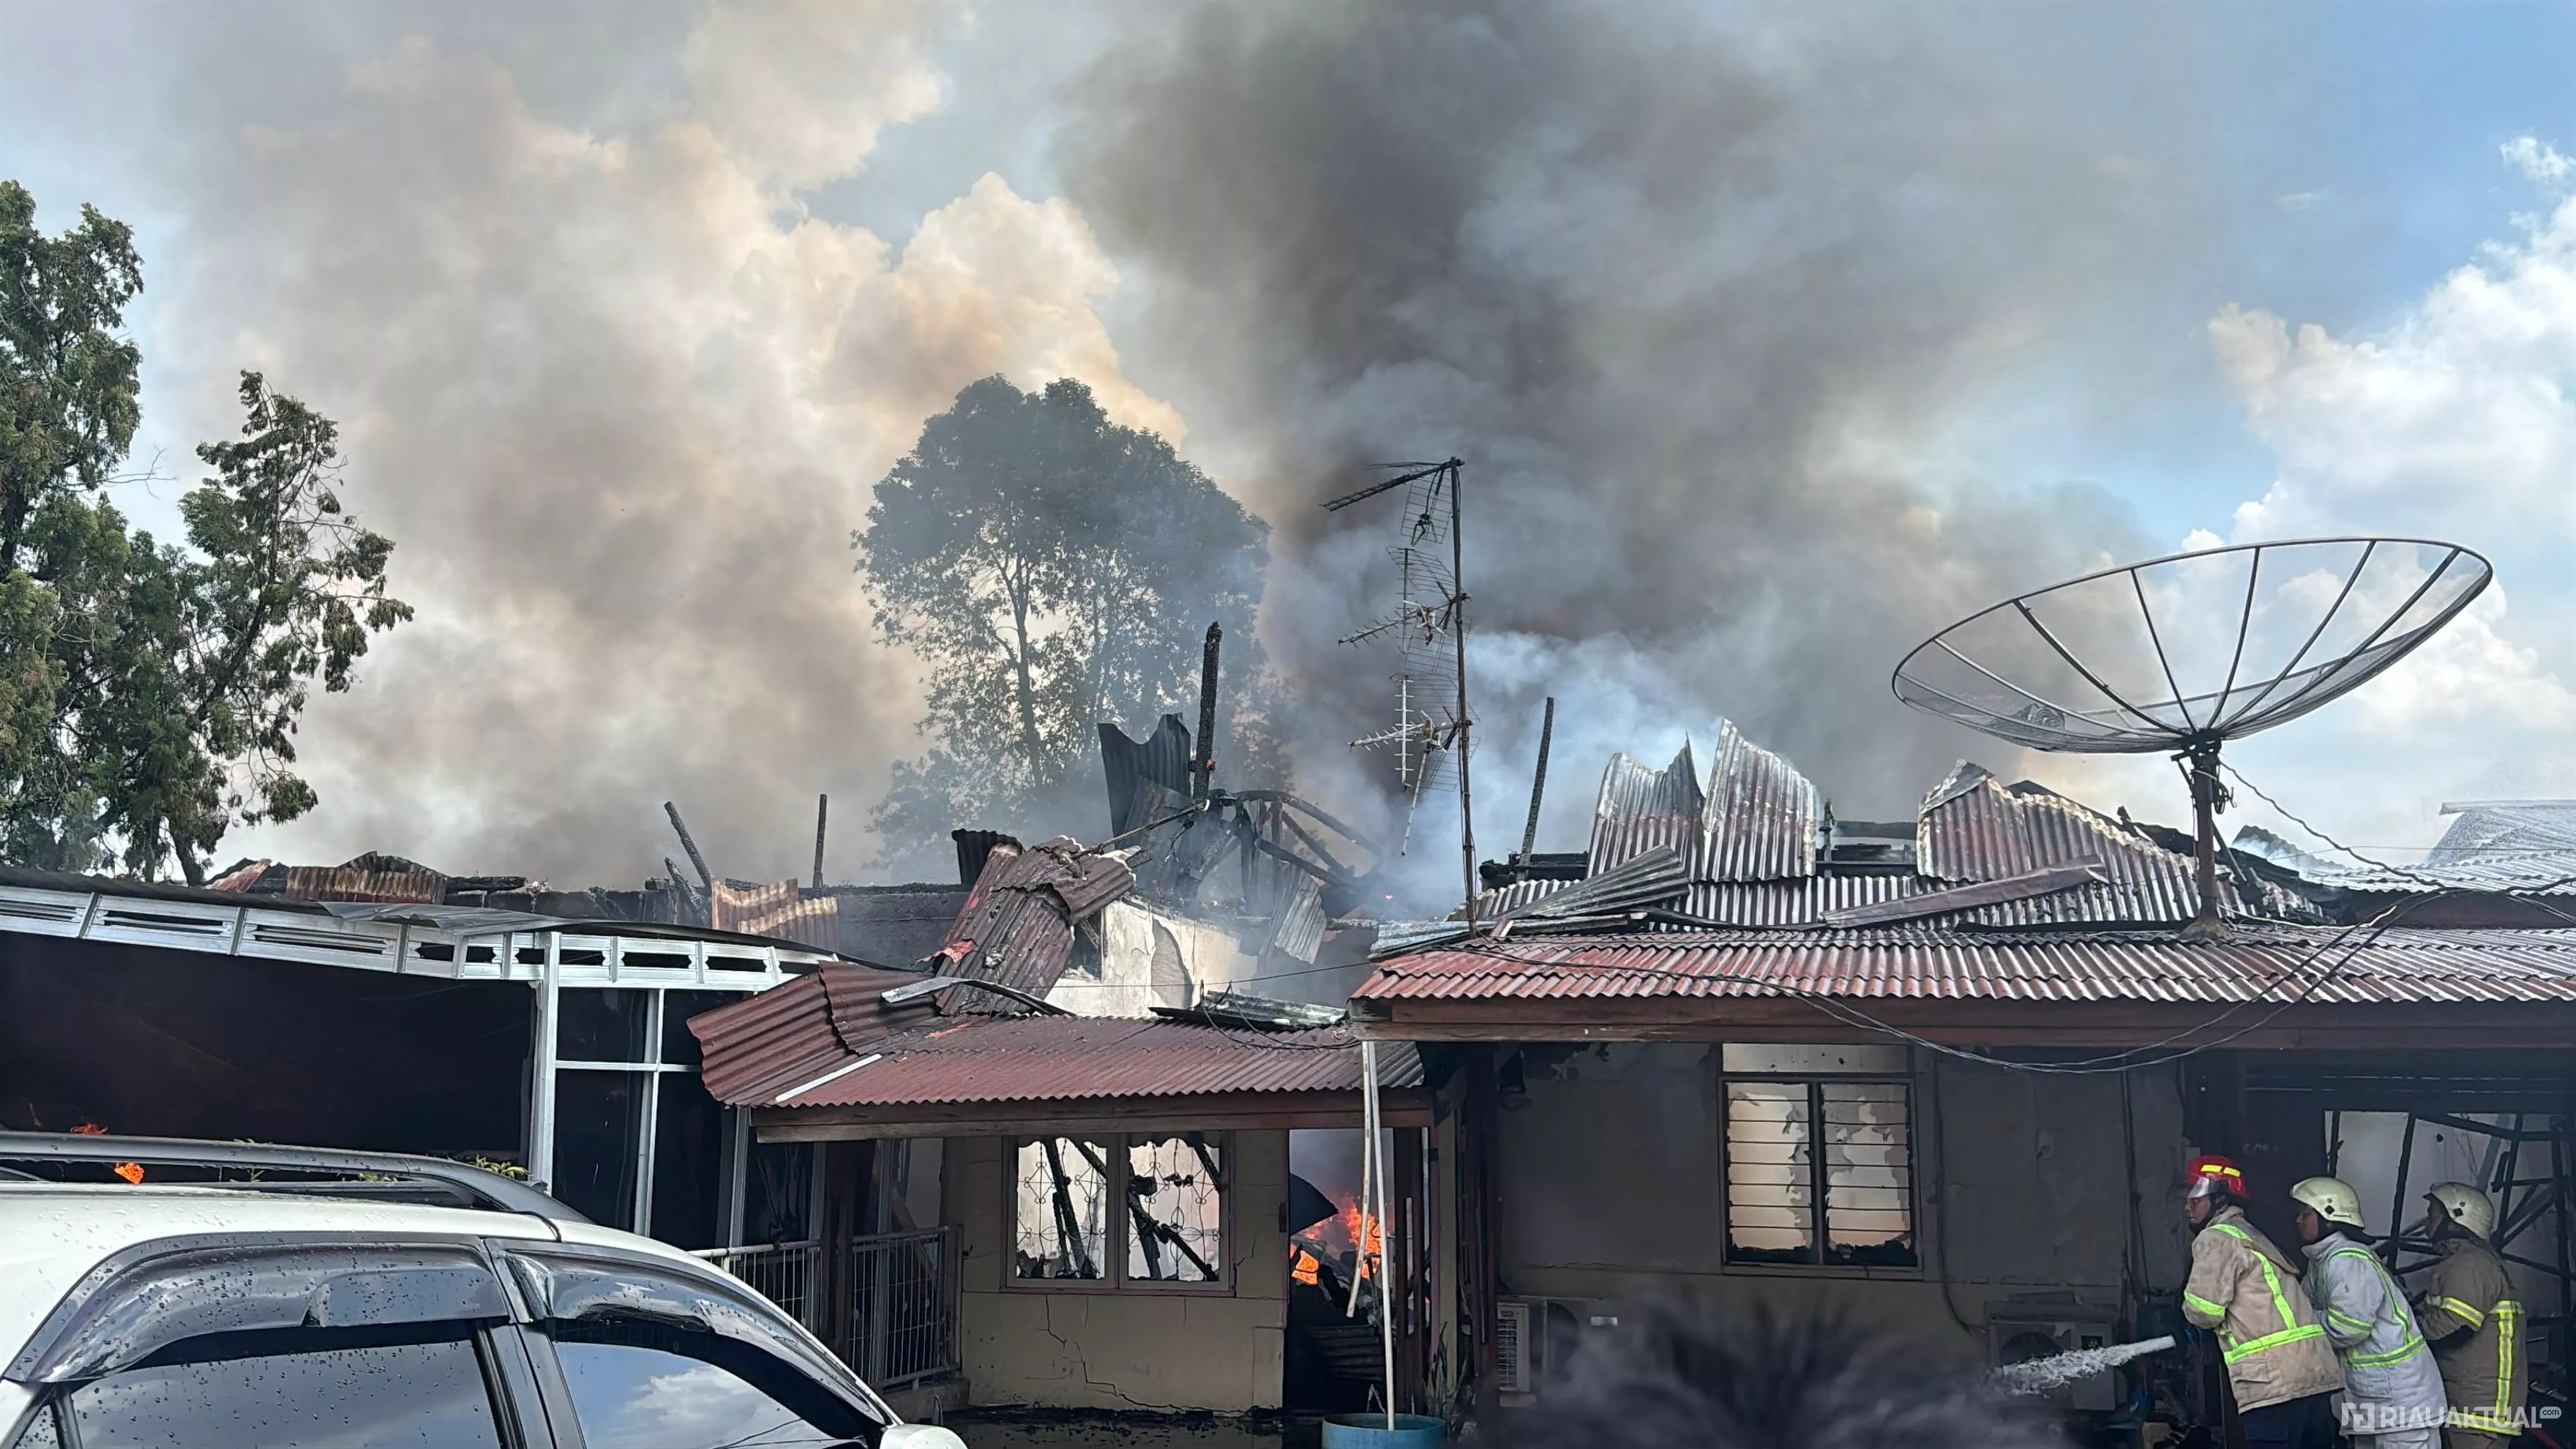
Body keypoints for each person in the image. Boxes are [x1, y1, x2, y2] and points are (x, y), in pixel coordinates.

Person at [2180, 1154, 2344, 1448]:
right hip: (2313, 1378)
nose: (2188, 1206)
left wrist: (2187, 1321)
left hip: (2274, 1382)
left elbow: (2203, 1311)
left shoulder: (2217, 1237)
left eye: (2196, 1198)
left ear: (2220, 1200)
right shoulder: (2250, 1233)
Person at [2288, 1175, 2445, 1449]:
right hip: (2373, 1401)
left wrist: (2302, 1323)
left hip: (2400, 1404)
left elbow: (2347, 1327)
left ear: (2329, 1217)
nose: (2298, 1221)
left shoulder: (2347, 1260)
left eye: (2305, 1214)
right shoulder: (2322, 1262)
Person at [2417, 1182, 2523, 1448]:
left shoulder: (2469, 1264)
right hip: (2473, 1409)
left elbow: (2454, 1328)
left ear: (2456, 1218)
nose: (2426, 1222)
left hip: (2476, 1415)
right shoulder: (2473, 1262)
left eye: (2432, 1214)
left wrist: (2404, 1329)